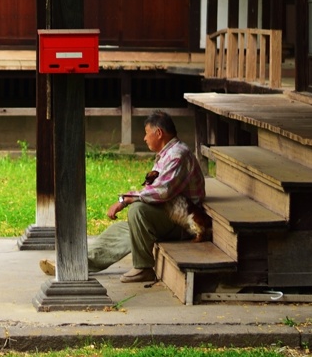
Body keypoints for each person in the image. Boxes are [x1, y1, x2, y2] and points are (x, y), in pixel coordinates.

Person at [39, 110, 206, 283]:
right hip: (168, 213)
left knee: (137, 211)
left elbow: (162, 191)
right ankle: (77, 263)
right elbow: (156, 190)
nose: (144, 138)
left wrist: (126, 200)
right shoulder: (168, 153)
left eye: (146, 133)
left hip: (185, 222)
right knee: (119, 231)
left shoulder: (177, 155)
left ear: (158, 133)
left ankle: (143, 268)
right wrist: (126, 199)